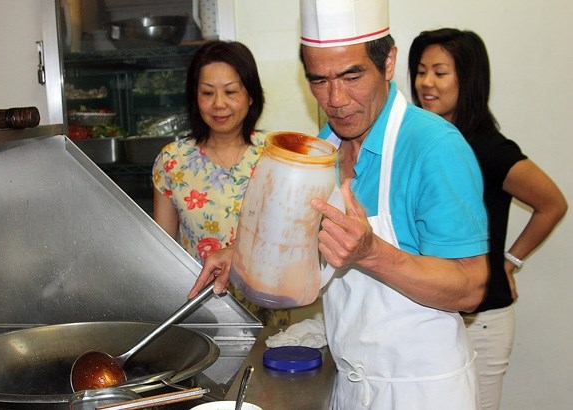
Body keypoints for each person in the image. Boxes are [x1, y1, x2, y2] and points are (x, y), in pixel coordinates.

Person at [189, 1, 490, 408]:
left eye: (352, 76)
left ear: (388, 63)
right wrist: (244, 256)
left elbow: (470, 287)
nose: (336, 99)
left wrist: (372, 254)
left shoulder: (432, 147)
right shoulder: (325, 145)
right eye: (318, 79)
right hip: (349, 385)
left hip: (422, 390)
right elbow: (313, 250)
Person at [408, 28, 568, 410]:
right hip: (430, 312)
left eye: (440, 72)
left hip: (481, 320)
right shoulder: (420, 142)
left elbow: (553, 203)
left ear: (468, 78)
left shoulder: (489, 148)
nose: (426, 83)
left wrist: (510, 263)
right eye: (420, 71)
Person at [152, 40, 291, 327]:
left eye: (230, 92)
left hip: (267, 311)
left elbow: (293, 237)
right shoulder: (172, 161)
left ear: (250, 95)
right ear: (195, 97)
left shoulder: (278, 154)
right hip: (200, 315)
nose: (219, 104)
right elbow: (162, 253)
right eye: (207, 93)